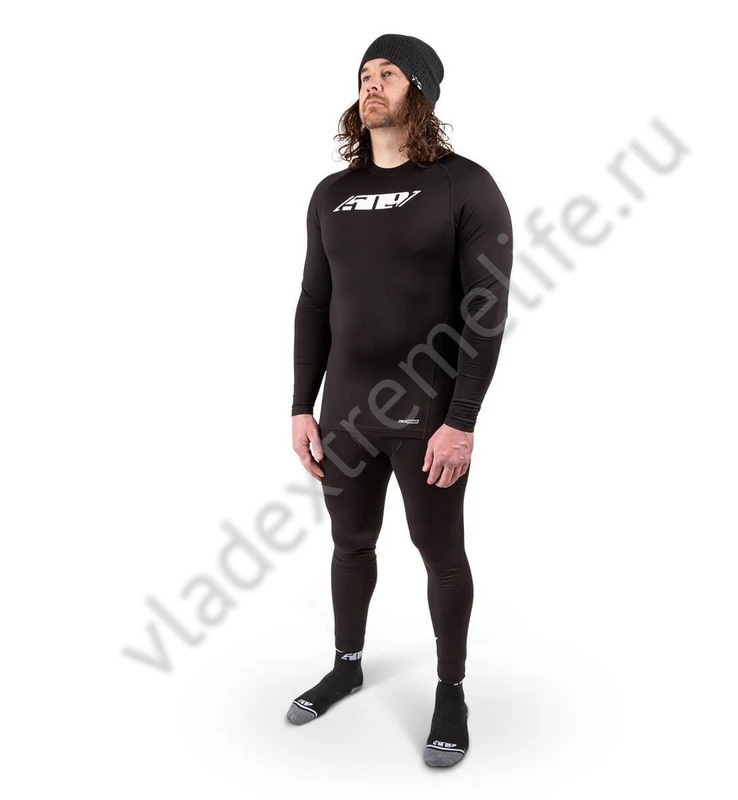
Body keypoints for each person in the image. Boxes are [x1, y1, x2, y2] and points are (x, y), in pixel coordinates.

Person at [287, 33, 513, 768]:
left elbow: (486, 309)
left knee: (439, 552)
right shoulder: (332, 194)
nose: (371, 83)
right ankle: (346, 665)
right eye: (364, 73)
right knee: (349, 543)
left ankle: (451, 691)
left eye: (388, 72)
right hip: (347, 410)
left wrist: (461, 421)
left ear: (421, 91)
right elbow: (314, 302)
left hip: (428, 411)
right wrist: (301, 406)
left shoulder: (464, 185)